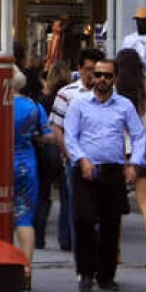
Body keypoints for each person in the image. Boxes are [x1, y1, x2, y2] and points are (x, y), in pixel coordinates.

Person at [64, 58, 146, 292]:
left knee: (111, 224)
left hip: (112, 169)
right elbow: (71, 136)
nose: (101, 79)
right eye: (98, 75)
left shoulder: (124, 106)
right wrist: (82, 160)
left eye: (107, 76)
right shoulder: (79, 104)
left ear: (115, 78)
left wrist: (134, 163)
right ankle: (85, 272)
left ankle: (106, 274)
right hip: (85, 170)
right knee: (85, 221)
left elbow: (138, 135)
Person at [49, 47, 103, 253]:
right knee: (76, 206)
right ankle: (76, 248)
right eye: (88, 69)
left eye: (96, 70)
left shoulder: (109, 95)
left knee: (99, 208)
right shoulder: (67, 94)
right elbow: (56, 127)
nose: (91, 75)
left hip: (102, 160)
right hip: (74, 160)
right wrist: (71, 155)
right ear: (79, 69)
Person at [114, 48, 146, 269]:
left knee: (113, 204)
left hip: (119, 150)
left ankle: (114, 251)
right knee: (145, 202)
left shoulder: (115, 86)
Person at [11, 67, 49, 288]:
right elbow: (46, 135)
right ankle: (26, 268)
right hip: (26, 163)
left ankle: (2, 266)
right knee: (24, 218)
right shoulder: (33, 107)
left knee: (1, 217)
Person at [33, 62, 71, 249]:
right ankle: (66, 238)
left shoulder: (43, 100)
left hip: (46, 150)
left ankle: (38, 237)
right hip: (65, 147)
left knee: (43, 194)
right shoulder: (71, 97)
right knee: (66, 195)